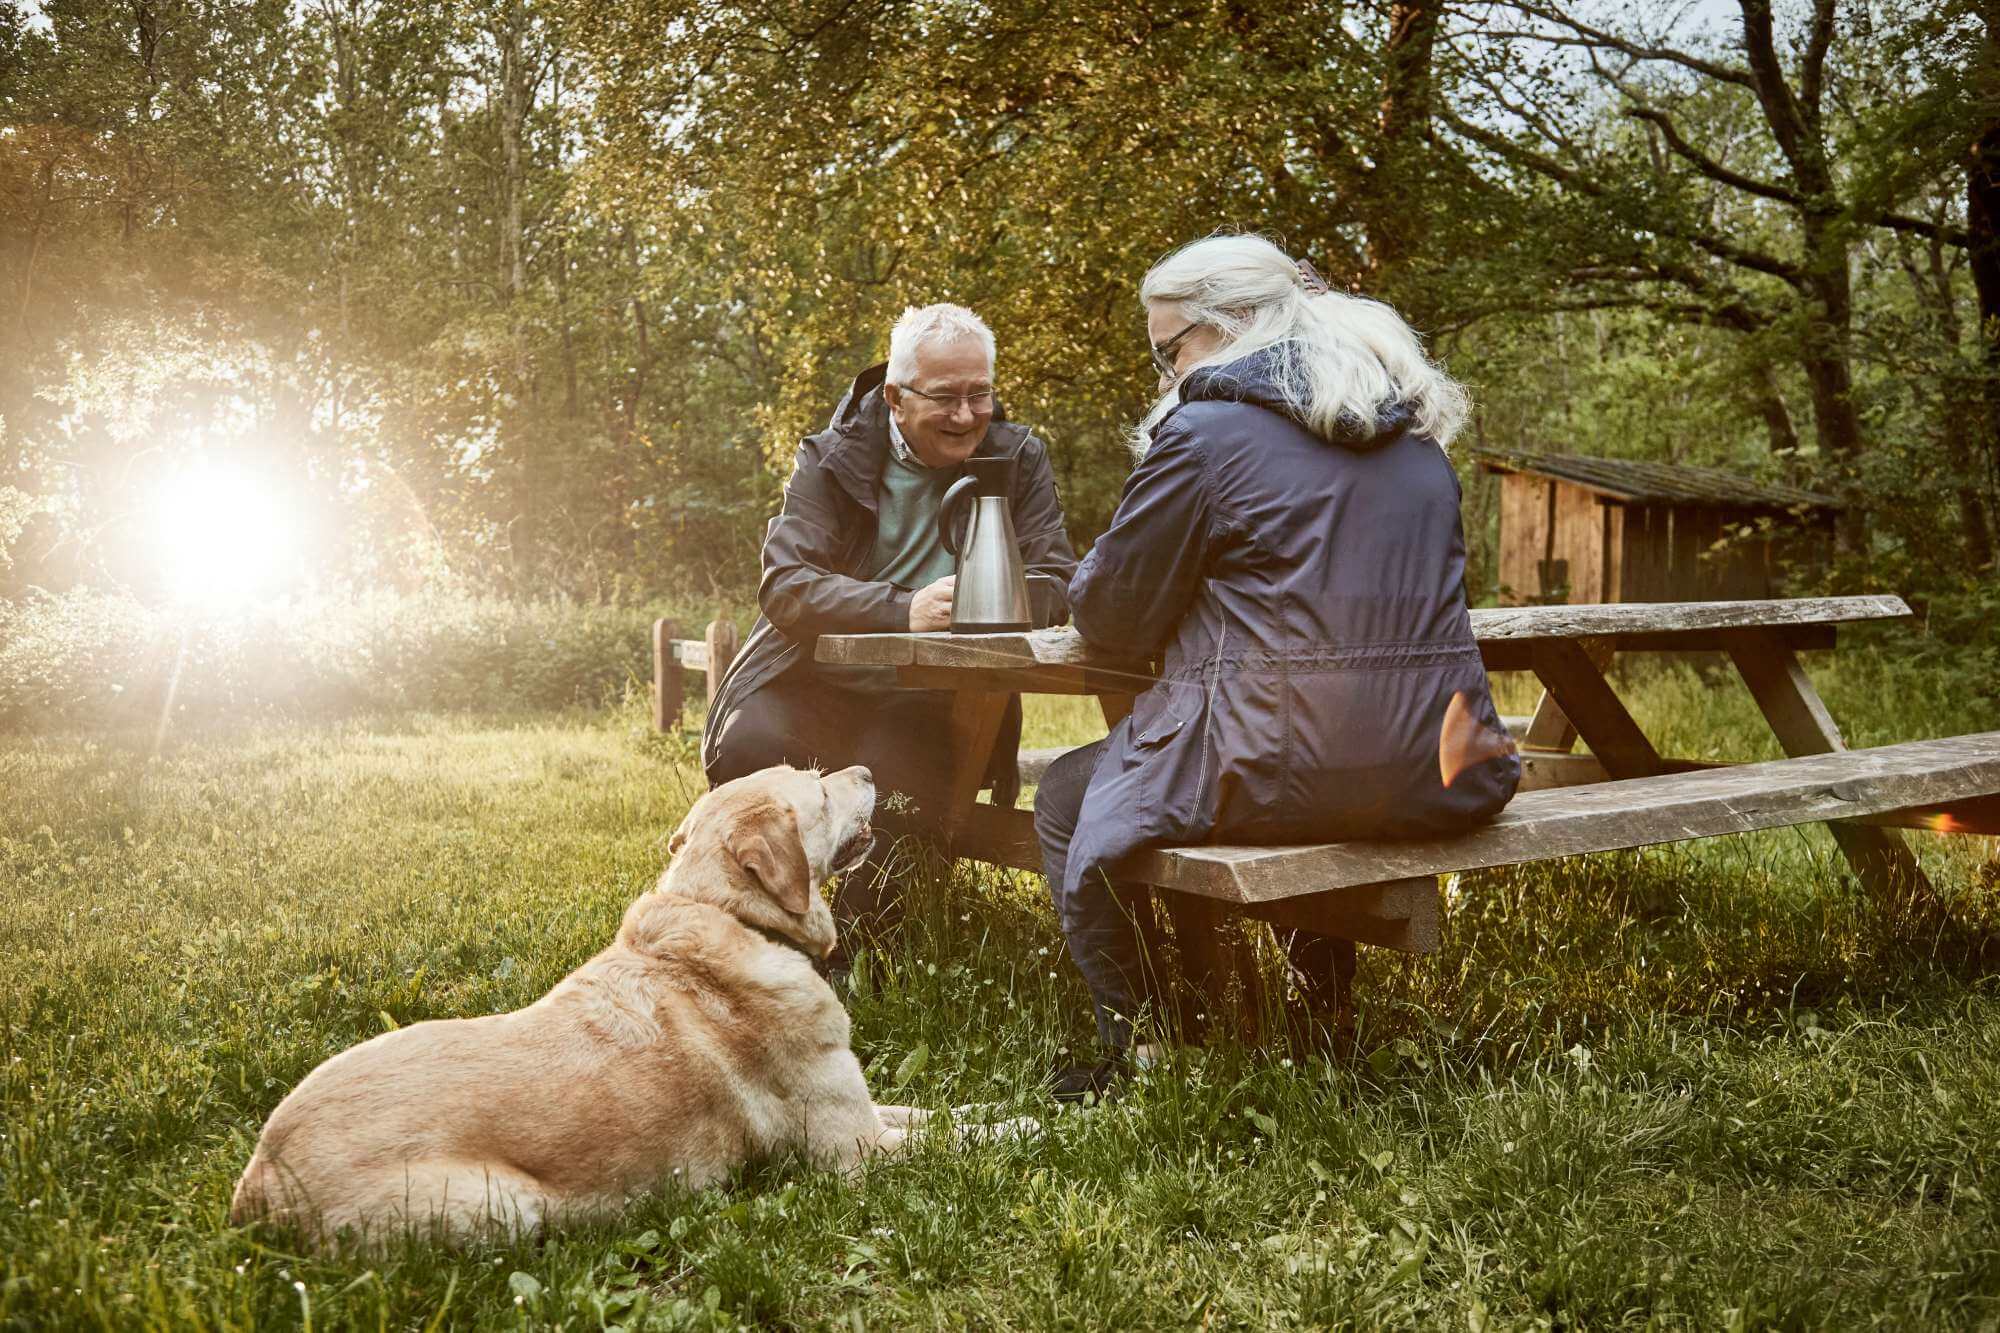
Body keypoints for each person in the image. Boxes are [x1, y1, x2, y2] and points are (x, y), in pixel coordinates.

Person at [1035, 235, 1521, 1099]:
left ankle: (1148, 1045)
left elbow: (1110, 615)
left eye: (1167, 349)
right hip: (1436, 768)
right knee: (1295, 758)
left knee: (1073, 796)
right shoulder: (1421, 445)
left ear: (1230, 330)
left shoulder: (1204, 435)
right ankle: (1323, 1018)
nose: (1161, 373)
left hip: (1272, 767)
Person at [704, 303, 1077, 957]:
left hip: (930, 694)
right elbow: (785, 584)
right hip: (807, 678)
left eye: (980, 394)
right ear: (897, 397)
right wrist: (899, 608)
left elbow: (1057, 580)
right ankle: (750, 935)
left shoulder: (1018, 457)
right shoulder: (829, 457)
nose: (967, 416)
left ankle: (856, 958)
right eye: (946, 397)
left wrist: (986, 599)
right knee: (749, 748)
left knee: (897, 793)